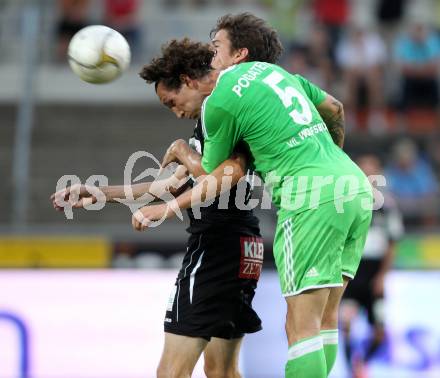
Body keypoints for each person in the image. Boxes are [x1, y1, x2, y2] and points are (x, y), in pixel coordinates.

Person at [53, 13, 285, 378]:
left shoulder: (223, 110)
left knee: (171, 373)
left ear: (189, 81)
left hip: (216, 247)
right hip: (245, 246)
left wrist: (183, 154)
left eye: (172, 101)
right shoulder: (223, 113)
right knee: (222, 371)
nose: (175, 111)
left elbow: (226, 174)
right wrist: (96, 192)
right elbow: (168, 183)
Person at [136, 39, 373, 378]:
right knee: (323, 320)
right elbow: (334, 107)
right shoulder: (275, 75)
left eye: (218, 45)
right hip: (352, 184)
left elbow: (216, 171)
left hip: (301, 200)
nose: (213, 54)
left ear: (239, 52)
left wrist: (179, 161)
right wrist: (328, 163)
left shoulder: (222, 100)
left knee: (300, 326)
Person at [340, 155, 403, 378]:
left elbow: (392, 243)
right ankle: (352, 370)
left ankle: (362, 364)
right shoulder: (347, 202)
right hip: (352, 273)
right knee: (345, 323)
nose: (369, 178)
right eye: (364, 172)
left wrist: (382, 277)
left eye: (372, 172)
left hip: (375, 276)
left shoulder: (388, 206)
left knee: (380, 331)